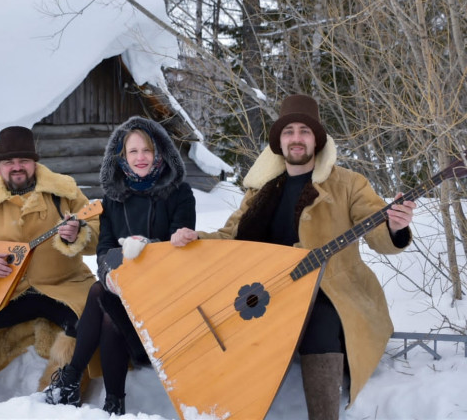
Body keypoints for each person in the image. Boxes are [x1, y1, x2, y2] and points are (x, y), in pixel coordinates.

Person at [170, 95, 416, 420]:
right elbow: (229, 238)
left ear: (317, 140)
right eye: (289, 132)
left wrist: (395, 227)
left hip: (330, 291)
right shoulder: (260, 190)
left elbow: (379, 236)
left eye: (304, 131)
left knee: (318, 321)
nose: (296, 138)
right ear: (279, 142)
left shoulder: (349, 184)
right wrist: (196, 239)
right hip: (269, 291)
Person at [0, 125, 100, 409]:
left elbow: (98, 231)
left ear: (34, 163)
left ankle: (60, 391)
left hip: (63, 284)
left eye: (23, 161)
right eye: (8, 162)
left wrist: (79, 233)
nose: (17, 168)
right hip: (8, 291)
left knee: (85, 317)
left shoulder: (65, 193)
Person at [44, 116, 196, 415]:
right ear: (122, 156)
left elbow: (182, 253)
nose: (141, 158)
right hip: (125, 292)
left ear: (160, 153)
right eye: (133, 151)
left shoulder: (179, 193)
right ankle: (112, 403)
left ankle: (73, 379)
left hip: (165, 296)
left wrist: (149, 248)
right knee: (106, 296)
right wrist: (115, 269)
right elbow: (103, 250)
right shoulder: (114, 199)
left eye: (147, 151)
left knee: (100, 296)